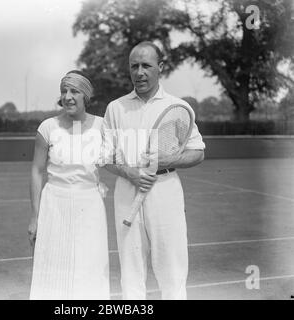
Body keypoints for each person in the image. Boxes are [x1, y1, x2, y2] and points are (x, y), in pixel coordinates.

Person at [101, 41, 205, 300]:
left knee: (172, 270)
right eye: (134, 66)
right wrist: (130, 173)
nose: (139, 72)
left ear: (160, 67)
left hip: (165, 191)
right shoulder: (116, 108)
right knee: (131, 272)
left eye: (146, 65)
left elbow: (198, 152)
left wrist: (169, 158)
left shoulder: (177, 106)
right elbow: (105, 156)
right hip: (127, 191)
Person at [28, 70, 110, 300]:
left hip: (90, 206)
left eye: (74, 91)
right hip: (54, 205)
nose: (68, 96)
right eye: (64, 91)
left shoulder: (103, 126)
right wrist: (35, 217)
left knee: (90, 269)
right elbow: (36, 170)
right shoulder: (47, 128)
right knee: (53, 270)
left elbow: (119, 161)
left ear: (86, 95)